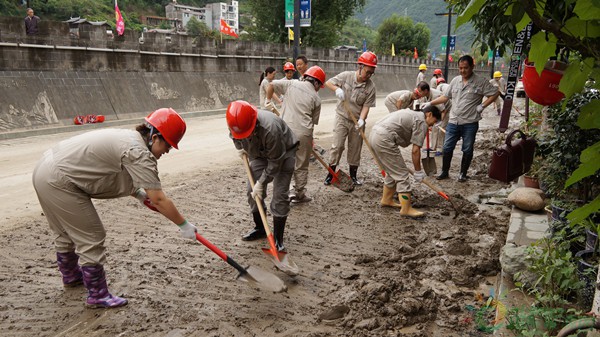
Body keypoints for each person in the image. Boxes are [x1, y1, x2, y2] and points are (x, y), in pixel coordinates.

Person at [32, 108, 197, 308]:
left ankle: (72, 277)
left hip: (44, 170)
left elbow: (110, 170)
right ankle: (97, 295)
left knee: (65, 232)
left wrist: (138, 194)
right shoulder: (138, 152)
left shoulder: (129, 139)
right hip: (60, 180)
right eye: (168, 146)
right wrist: (184, 224)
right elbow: (160, 199)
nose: (167, 151)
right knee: (91, 235)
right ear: (155, 137)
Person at [226, 101, 299, 252]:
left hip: (283, 154)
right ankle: (261, 228)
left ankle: (278, 240)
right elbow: (234, 137)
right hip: (258, 154)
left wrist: (261, 183)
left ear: (254, 123)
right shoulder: (234, 122)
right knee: (251, 191)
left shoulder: (270, 128)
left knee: (280, 196)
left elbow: (275, 162)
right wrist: (240, 148)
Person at [427, 55, 500, 182]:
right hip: (453, 121)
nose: (462, 71)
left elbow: (495, 93)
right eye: (460, 68)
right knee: (447, 147)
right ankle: (445, 172)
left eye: (465, 68)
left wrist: (482, 105)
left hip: (470, 123)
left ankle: (463, 173)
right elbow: (445, 97)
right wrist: (430, 103)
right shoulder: (455, 81)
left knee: (467, 148)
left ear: (472, 67)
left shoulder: (480, 82)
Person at [266, 66, 325, 204]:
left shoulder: (291, 84)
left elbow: (271, 85)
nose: (318, 89)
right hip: (304, 133)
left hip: (285, 130)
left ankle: (281, 192)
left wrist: (268, 101)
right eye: (319, 86)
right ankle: (298, 193)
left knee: (284, 161)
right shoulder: (317, 98)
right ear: (316, 83)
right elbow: (313, 121)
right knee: (301, 164)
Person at [369, 105, 441, 217]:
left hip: (374, 134)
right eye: (434, 121)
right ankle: (406, 209)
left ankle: (387, 200)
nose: (432, 125)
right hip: (384, 138)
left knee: (392, 171)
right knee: (402, 174)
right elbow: (415, 151)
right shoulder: (422, 122)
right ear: (429, 114)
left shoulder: (413, 114)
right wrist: (418, 171)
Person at [324, 51, 377, 186]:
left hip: (357, 122)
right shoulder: (346, 76)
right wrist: (337, 89)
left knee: (355, 148)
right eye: (367, 71)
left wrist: (362, 120)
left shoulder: (371, 87)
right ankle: (330, 174)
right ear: (360, 66)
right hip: (342, 117)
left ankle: (353, 176)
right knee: (337, 146)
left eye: (372, 73)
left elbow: (366, 106)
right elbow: (328, 82)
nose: (369, 75)